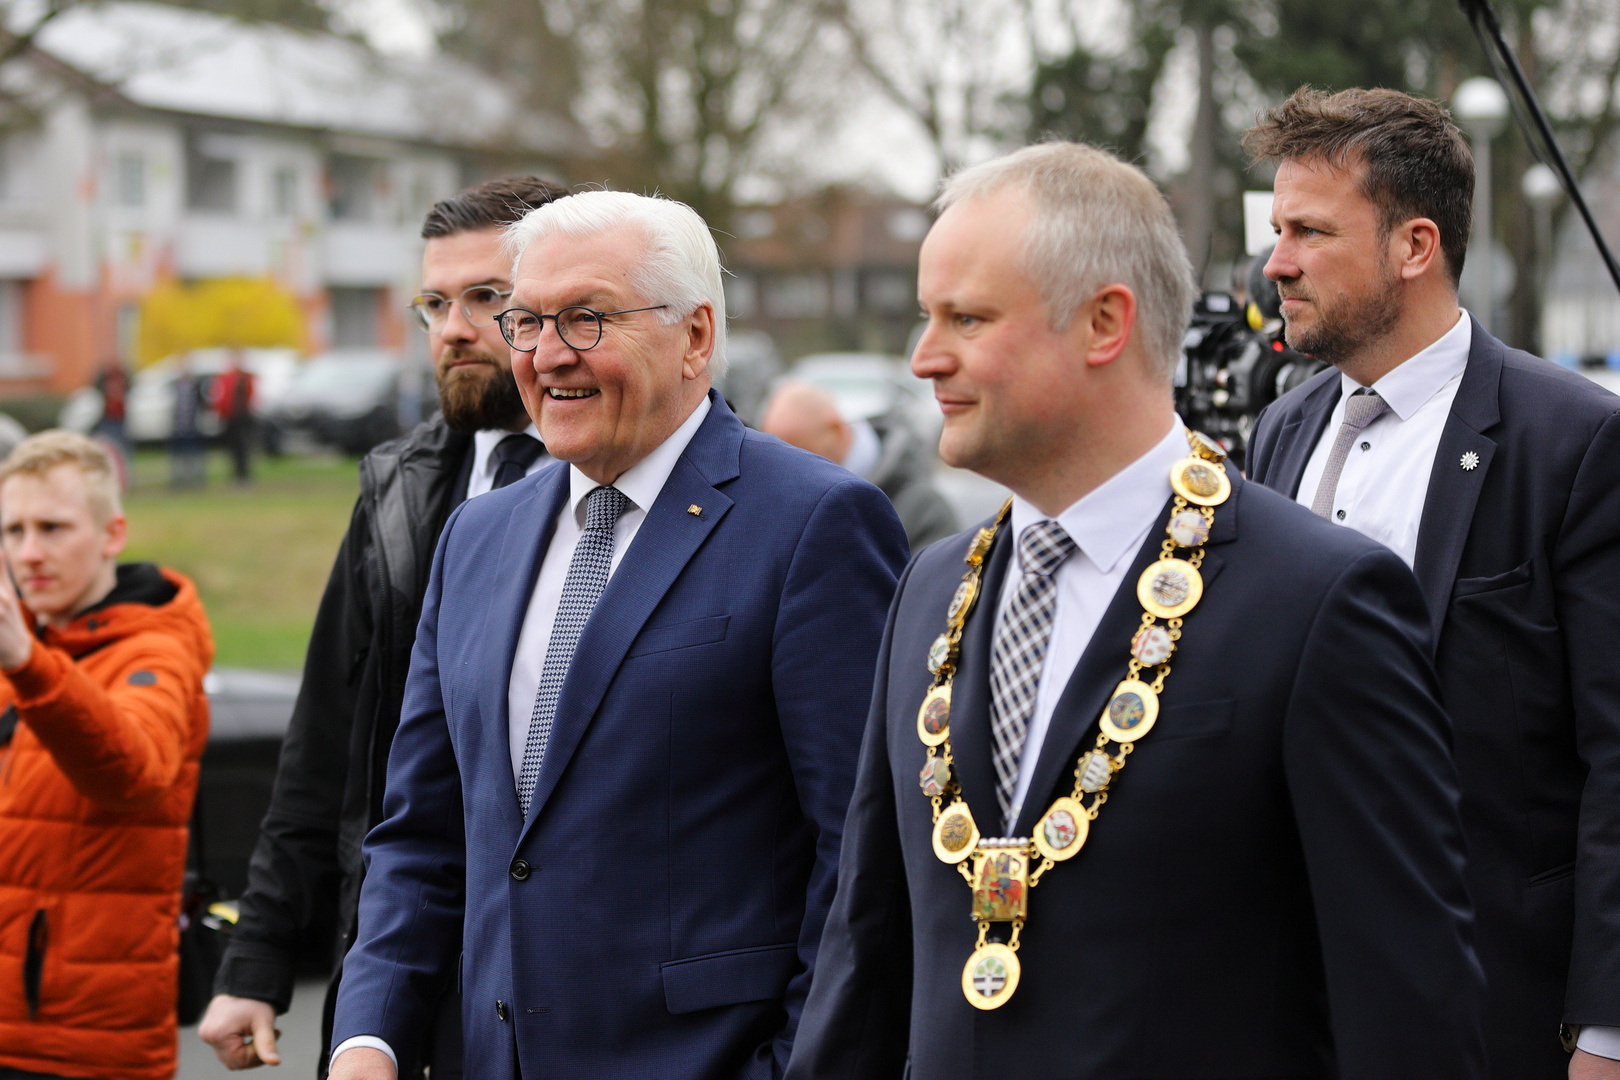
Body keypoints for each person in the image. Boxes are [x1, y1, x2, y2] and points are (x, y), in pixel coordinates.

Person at [786, 141, 1485, 1079]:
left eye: (967, 318)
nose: (923, 359)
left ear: (1103, 323)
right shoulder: (929, 588)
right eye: (927, 317)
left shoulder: (1317, 601)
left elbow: (1408, 1012)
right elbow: (866, 958)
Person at [325, 190, 908, 1080]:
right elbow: (422, 833)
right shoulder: (476, 538)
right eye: (525, 320)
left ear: (697, 337)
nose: (546, 354)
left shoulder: (815, 524)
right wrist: (369, 1037)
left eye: (588, 319)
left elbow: (860, 862)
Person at [1241, 87, 1620, 1080]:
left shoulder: (1575, 444)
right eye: (1278, 229)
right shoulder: (1280, 430)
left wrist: (1606, 1033)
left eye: (1310, 232)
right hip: (1293, 1003)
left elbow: (1619, 758)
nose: (1275, 261)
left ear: (1415, 246)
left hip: (1497, 1008)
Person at [197, 176, 568, 1077]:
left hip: (572, 962)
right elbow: (325, 739)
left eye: (488, 298)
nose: (452, 329)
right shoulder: (396, 488)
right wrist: (258, 958)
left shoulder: (641, 493)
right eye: (435, 303)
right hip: (405, 954)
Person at [0, 431, 214, 1080]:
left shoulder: (155, 653)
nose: (29, 553)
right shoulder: (30, 642)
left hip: (83, 1047)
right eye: (12, 531)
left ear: (111, 534)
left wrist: (31, 669)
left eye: (52, 528)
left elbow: (135, 770)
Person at [760, 380, 958, 550]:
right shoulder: (795, 502)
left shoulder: (923, 509)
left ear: (836, 431)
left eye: (800, 452)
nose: (788, 471)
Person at [214, 351, 256, 485]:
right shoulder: (226, 377)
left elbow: (250, 395)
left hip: (242, 416)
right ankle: (236, 473)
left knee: (243, 446)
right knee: (232, 447)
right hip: (230, 416)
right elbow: (222, 397)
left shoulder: (245, 377)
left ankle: (244, 474)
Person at [170, 355, 206, 488]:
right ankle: (179, 482)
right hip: (178, 426)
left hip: (192, 425)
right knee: (178, 456)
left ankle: (196, 481)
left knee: (194, 454)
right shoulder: (174, 384)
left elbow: (201, 403)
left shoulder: (196, 384)